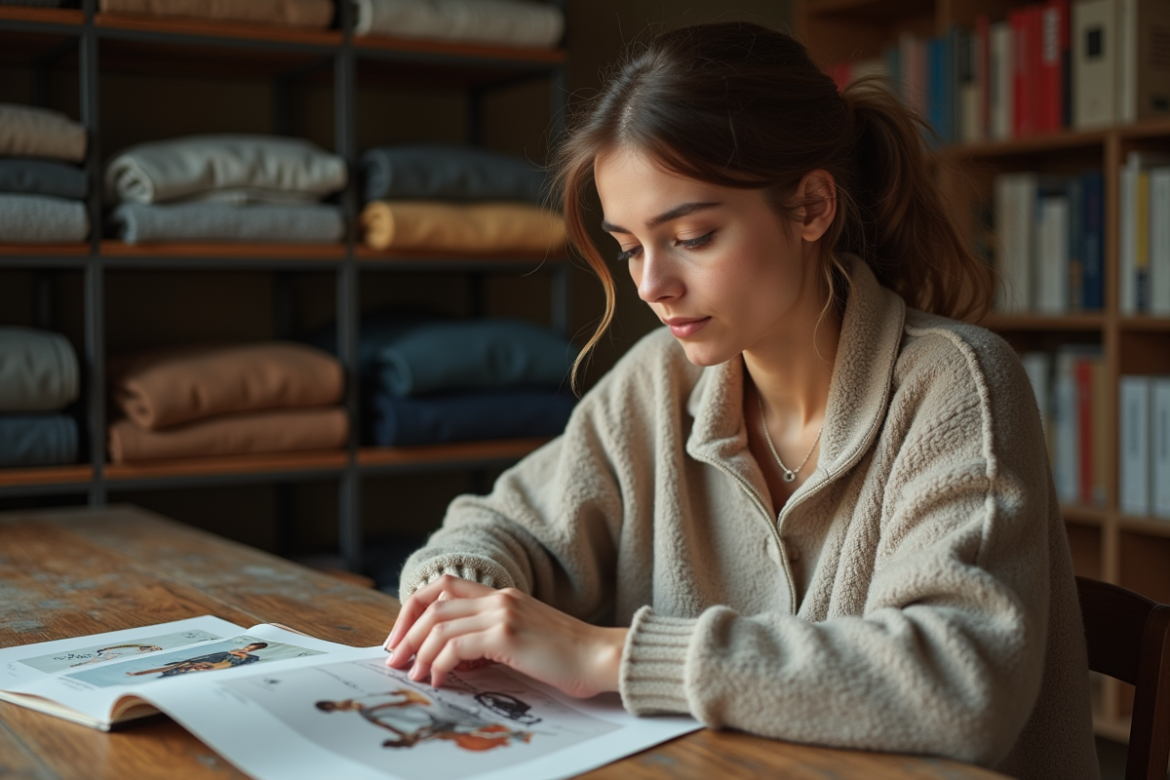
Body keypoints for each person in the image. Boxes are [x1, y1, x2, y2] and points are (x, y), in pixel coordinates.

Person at [383, 21, 1098, 780]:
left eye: (690, 235)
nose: (651, 285)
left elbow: (961, 688)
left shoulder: (958, 386)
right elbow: (495, 528)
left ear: (812, 206)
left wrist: (604, 652)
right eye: (629, 247)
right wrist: (461, 602)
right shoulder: (659, 379)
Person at [315, 690, 532, 751]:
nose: (335, 707)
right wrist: (406, 734)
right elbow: (385, 723)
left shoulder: (360, 704)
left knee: (468, 724)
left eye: (331, 705)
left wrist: (401, 703)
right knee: (468, 730)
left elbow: (386, 708)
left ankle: (509, 731)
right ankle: (512, 734)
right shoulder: (364, 712)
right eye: (332, 708)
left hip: (423, 714)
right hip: (425, 722)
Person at [125, 642, 268, 677]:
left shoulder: (246, 656)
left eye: (251, 648)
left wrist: (242, 654)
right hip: (208, 664)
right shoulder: (232, 651)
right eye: (249, 647)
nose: (248, 649)